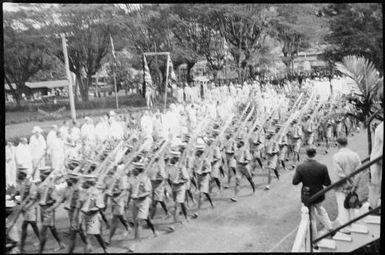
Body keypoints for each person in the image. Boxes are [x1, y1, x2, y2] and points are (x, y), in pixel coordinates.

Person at [293, 146, 333, 238]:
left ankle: (314, 239)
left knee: (312, 217)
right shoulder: (322, 167)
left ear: (307, 154)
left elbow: (295, 182)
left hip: (307, 195)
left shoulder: (301, 167)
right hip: (319, 193)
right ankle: (329, 227)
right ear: (315, 154)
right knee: (320, 209)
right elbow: (327, 183)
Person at [331, 137, 361, 233]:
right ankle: (353, 224)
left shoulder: (336, 156)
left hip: (342, 187)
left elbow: (338, 174)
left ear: (338, 144)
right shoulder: (355, 155)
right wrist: (355, 185)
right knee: (351, 204)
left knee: (343, 207)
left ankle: (345, 229)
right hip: (353, 186)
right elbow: (359, 171)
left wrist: (346, 184)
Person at [368, 121, 383, 212]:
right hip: (377, 160)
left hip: (379, 159)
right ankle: (373, 207)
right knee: (375, 185)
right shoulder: (381, 127)